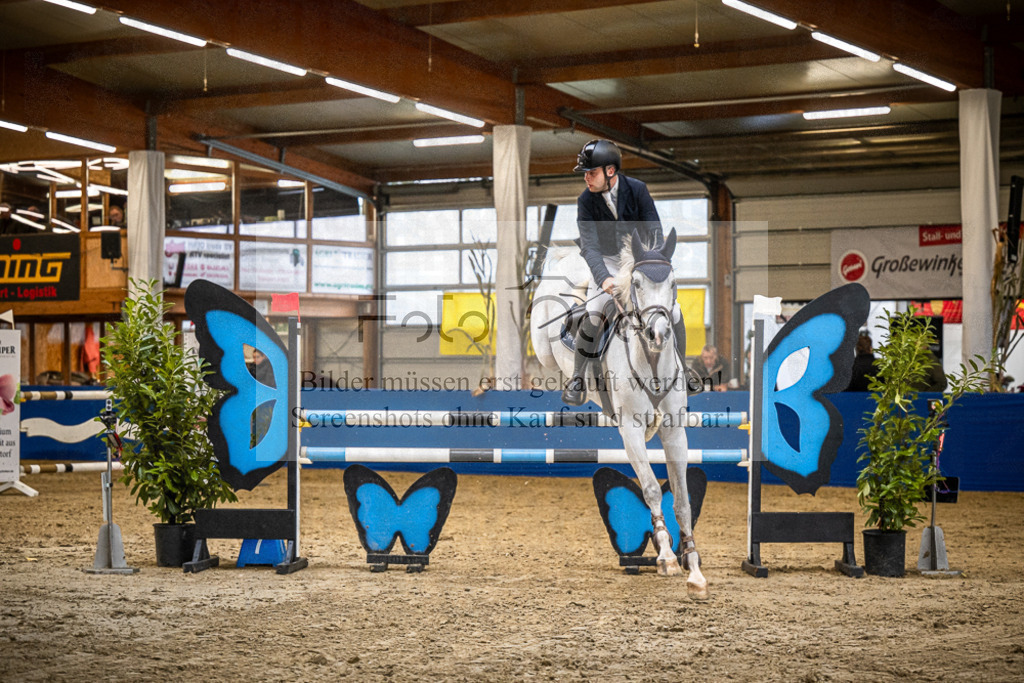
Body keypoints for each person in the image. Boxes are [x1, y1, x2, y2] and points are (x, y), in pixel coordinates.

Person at [562, 139, 689, 405]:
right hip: (606, 262)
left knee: (674, 311)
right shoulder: (585, 201)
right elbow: (590, 246)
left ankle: (684, 371)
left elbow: (654, 229)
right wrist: (603, 278)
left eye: (591, 172)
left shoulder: (638, 190)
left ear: (610, 171)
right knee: (596, 311)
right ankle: (577, 377)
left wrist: (651, 260)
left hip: (641, 258)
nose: (586, 178)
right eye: (585, 173)